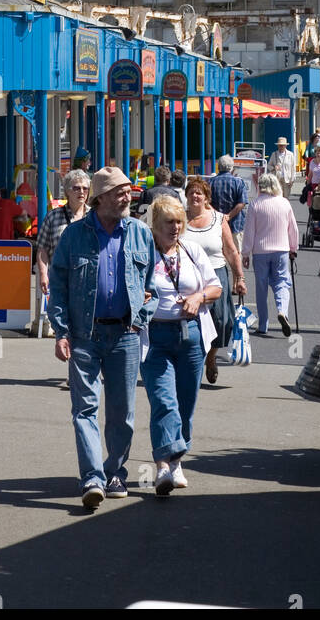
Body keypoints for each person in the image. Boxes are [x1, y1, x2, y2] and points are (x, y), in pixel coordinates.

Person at [48, 166, 156, 511]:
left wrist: (141, 319)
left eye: (128, 191)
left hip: (125, 333)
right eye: (120, 192)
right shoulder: (74, 235)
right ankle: (92, 477)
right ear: (101, 198)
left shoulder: (139, 232)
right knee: (85, 409)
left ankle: (114, 471)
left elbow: (153, 285)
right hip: (84, 335)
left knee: (122, 412)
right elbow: (59, 286)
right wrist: (61, 331)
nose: (127, 197)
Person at [142, 196, 221, 495]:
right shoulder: (145, 253)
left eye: (179, 222)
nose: (175, 228)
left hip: (191, 336)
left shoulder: (192, 250)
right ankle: (163, 465)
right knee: (164, 401)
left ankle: (176, 463)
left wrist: (199, 297)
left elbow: (215, 286)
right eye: (168, 223)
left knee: (186, 405)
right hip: (155, 337)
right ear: (155, 225)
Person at [183, 178, 246, 385]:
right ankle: (195, 361)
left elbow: (231, 250)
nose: (195, 196)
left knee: (222, 321)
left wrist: (239, 278)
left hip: (216, 274)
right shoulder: (179, 219)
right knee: (191, 321)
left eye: (199, 193)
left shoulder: (219, 219)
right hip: (188, 276)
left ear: (206, 197)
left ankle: (211, 356)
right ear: (186, 195)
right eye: (191, 192)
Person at [242, 173, 299, 336]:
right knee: (282, 282)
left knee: (261, 287)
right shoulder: (284, 203)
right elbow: (293, 229)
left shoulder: (255, 204)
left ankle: (263, 324)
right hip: (281, 249)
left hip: (260, 251)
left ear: (260, 187)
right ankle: (282, 311)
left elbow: (249, 231)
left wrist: (246, 253)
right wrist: (293, 248)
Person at [36, 169, 90, 295]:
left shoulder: (95, 217)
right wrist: (43, 274)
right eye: (76, 188)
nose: (81, 192)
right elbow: (42, 249)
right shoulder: (52, 217)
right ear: (67, 191)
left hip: (88, 282)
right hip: (60, 282)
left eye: (85, 188)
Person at [209, 155, 248, 248]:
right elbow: (242, 203)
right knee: (236, 253)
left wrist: (219, 216)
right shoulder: (238, 182)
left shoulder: (210, 182)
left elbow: (207, 202)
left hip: (216, 224)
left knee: (218, 254)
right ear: (231, 167)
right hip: (236, 224)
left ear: (218, 167)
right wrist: (229, 216)